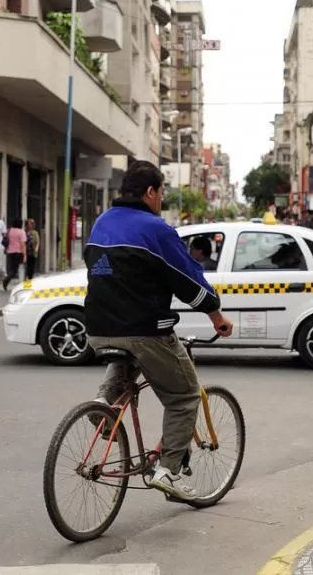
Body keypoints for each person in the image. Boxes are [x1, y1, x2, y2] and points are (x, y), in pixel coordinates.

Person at [84, 161, 233, 502]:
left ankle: (102, 405)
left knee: (128, 365)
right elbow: (187, 279)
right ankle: (168, 471)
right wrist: (215, 316)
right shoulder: (156, 229)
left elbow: (99, 267)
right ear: (151, 192)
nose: (161, 199)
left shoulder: (102, 223)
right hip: (144, 329)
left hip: (98, 327)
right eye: (161, 193)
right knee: (184, 396)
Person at [2, 218, 28, 290]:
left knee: (12, 269)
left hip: (10, 252)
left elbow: (6, 241)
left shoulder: (10, 230)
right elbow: (23, 244)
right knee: (17, 270)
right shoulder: (21, 232)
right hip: (18, 253)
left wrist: (6, 249)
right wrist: (25, 255)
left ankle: (7, 280)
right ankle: (6, 280)